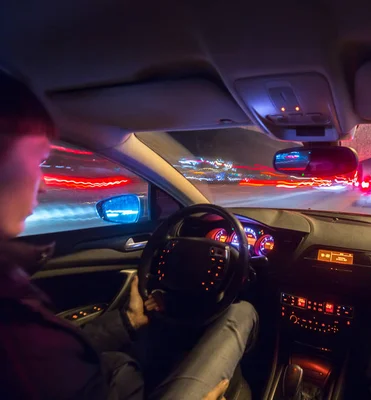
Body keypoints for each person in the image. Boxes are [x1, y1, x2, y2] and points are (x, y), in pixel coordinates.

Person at [0, 69, 258, 399]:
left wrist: (129, 321)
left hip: (112, 381)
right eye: (39, 160)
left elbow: (63, 359)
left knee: (125, 361)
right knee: (242, 312)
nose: (46, 183)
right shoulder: (17, 333)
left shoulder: (16, 308)